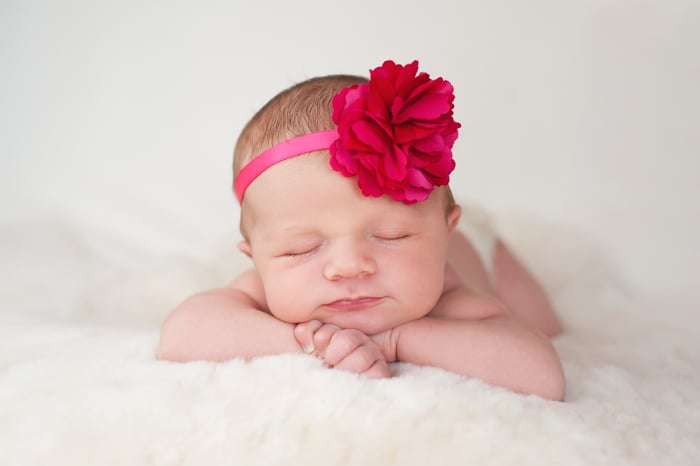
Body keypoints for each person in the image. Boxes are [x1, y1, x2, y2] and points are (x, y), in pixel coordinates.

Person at [158, 60, 565, 401]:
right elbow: (180, 336)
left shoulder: (451, 296)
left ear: (445, 233)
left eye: (391, 236)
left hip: (480, 244)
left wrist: (395, 340)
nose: (349, 267)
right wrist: (315, 343)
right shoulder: (265, 289)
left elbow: (541, 374)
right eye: (302, 249)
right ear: (256, 258)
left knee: (544, 321)